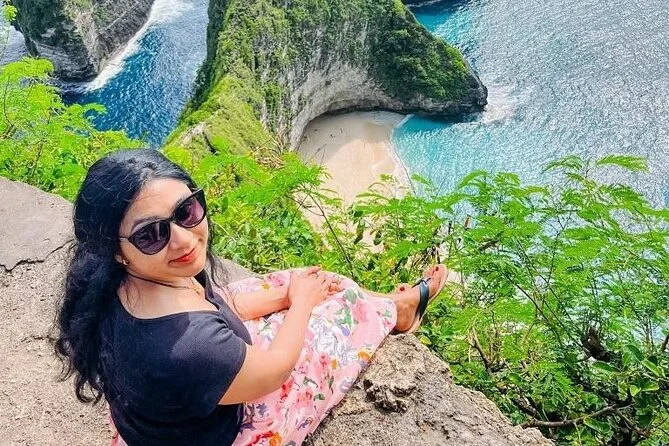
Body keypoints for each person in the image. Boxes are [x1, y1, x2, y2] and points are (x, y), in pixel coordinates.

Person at [54, 149, 449, 446]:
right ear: (116, 250)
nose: (183, 240)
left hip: (165, 424)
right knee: (339, 300)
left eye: (186, 211)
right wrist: (302, 304)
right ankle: (398, 310)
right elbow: (275, 372)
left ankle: (386, 304)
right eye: (150, 234)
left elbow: (216, 304)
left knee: (305, 280)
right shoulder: (189, 346)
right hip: (233, 430)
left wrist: (289, 295)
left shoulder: (118, 282)